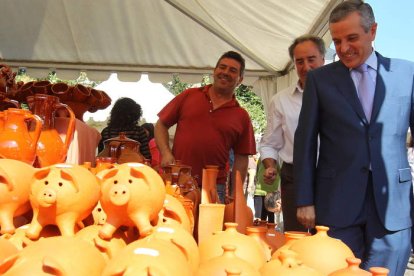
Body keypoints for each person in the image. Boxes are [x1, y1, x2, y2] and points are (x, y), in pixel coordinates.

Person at [293, 1, 414, 274]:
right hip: (337, 204)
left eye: (351, 38)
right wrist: (304, 199)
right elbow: (305, 143)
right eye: (336, 41)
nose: (343, 48)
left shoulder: (407, 74)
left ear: (373, 31)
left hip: (393, 208)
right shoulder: (320, 80)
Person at [155, 51, 256, 203]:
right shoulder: (189, 95)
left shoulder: (241, 115)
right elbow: (161, 124)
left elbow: (242, 159)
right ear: (214, 71)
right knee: (173, 224)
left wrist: (236, 194)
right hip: (178, 180)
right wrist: (165, 153)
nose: (225, 72)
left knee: (210, 227)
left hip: (215, 187)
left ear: (240, 79)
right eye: (222, 67)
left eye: (232, 70)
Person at [259, 34, 325, 231]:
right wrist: (270, 166)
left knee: (329, 242)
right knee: (295, 239)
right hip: (294, 177)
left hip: (333, 177)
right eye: (299, 62)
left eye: (311, 59)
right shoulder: (280, 100)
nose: (306, 67)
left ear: (323, 58)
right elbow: (270, 143)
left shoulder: (342, 95)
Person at [253, 158, 280, 224]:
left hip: (271, 191)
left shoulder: (276, 160)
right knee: (260, 216)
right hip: (260, 191)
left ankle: (271, 231)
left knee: (271, 214)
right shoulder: (262, 158)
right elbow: (257, 170)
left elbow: (279, 173)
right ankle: (260, 230)